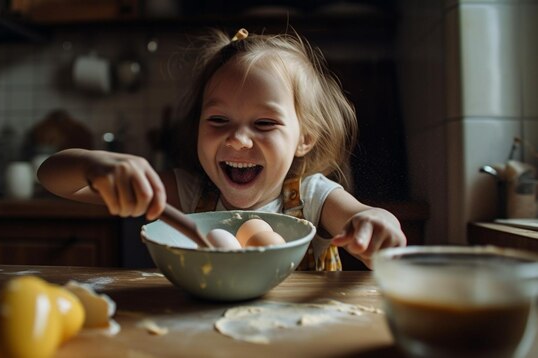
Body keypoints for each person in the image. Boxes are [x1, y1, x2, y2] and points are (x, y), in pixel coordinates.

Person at [38, 28, 406, 270]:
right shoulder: (188, 192)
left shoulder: (313, 197)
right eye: (218, 121)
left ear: (303, 138)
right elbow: (52, 178)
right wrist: (94, 165)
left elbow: (365, 217)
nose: (238, 140)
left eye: (264, 124)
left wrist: (376, 225)